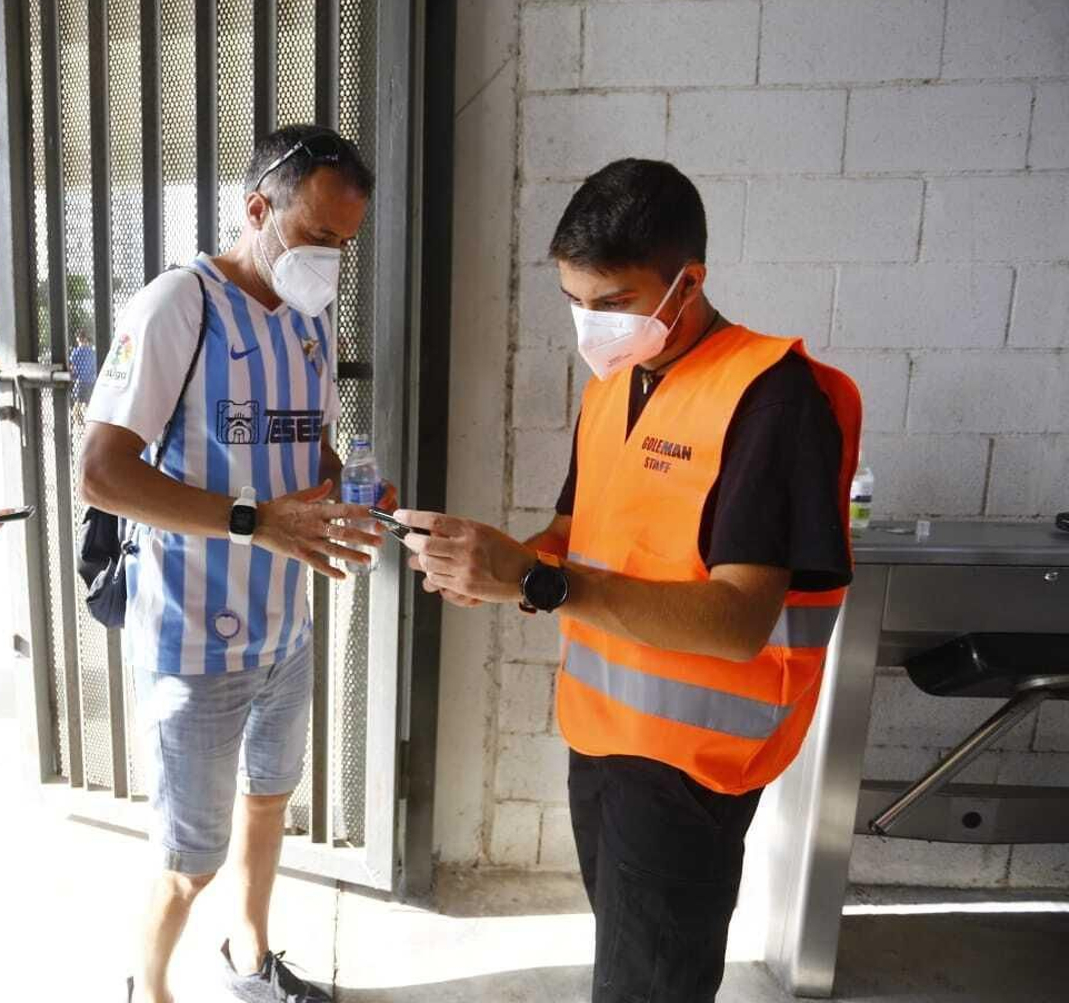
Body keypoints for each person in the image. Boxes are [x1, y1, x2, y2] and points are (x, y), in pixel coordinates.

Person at [395, 158, 862, 1003]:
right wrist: (497, 564)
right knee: (629, 963)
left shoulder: (771, 399)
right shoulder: (613, 388)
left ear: (688, 283)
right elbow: (579, 538)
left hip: (691, 765)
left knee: (646, 988)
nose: (591, 325)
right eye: (575, 301)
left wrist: (538, 585)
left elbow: (737, 619)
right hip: (602, 736)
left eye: (612, 303)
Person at [79, 124, 388, 1003]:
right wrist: (258, 522)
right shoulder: (182, 305)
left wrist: (351, 490)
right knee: (188, 857)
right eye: (318, 236)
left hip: (286, 629)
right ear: (258, 209)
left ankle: (250, 960)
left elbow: (313, 450)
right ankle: (150, 986)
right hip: (193, 639)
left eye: (345, 244)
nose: (331, 260)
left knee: (269, 801)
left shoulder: (309, 320)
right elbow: (101, 474)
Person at [68, 329, 97, 427]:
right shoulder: (92, 352)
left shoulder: (76, 353)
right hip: (90, 380)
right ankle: (90, 420)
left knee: (77, 402)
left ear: (78, 339)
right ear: (85, 339)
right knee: (88, 402)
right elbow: (94, 367)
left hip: (80, 381)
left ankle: (78, 421)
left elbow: (72, 368)